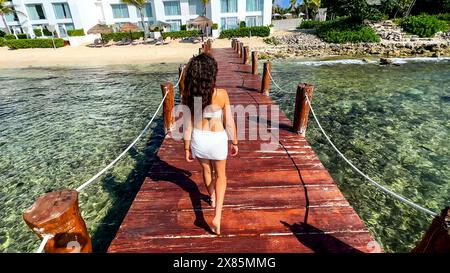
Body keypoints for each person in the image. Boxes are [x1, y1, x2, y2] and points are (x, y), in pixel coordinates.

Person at [182, 53, 238, 235]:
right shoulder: (221, 94)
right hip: (217, 139)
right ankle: (217, 215)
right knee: (221, 176)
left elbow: (188, 124)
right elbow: (229, 122)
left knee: (206, 171)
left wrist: (186, 146)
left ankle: (211, 197)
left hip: (199, 138)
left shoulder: (188, 96)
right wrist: (235, 141)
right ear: (211, 74)